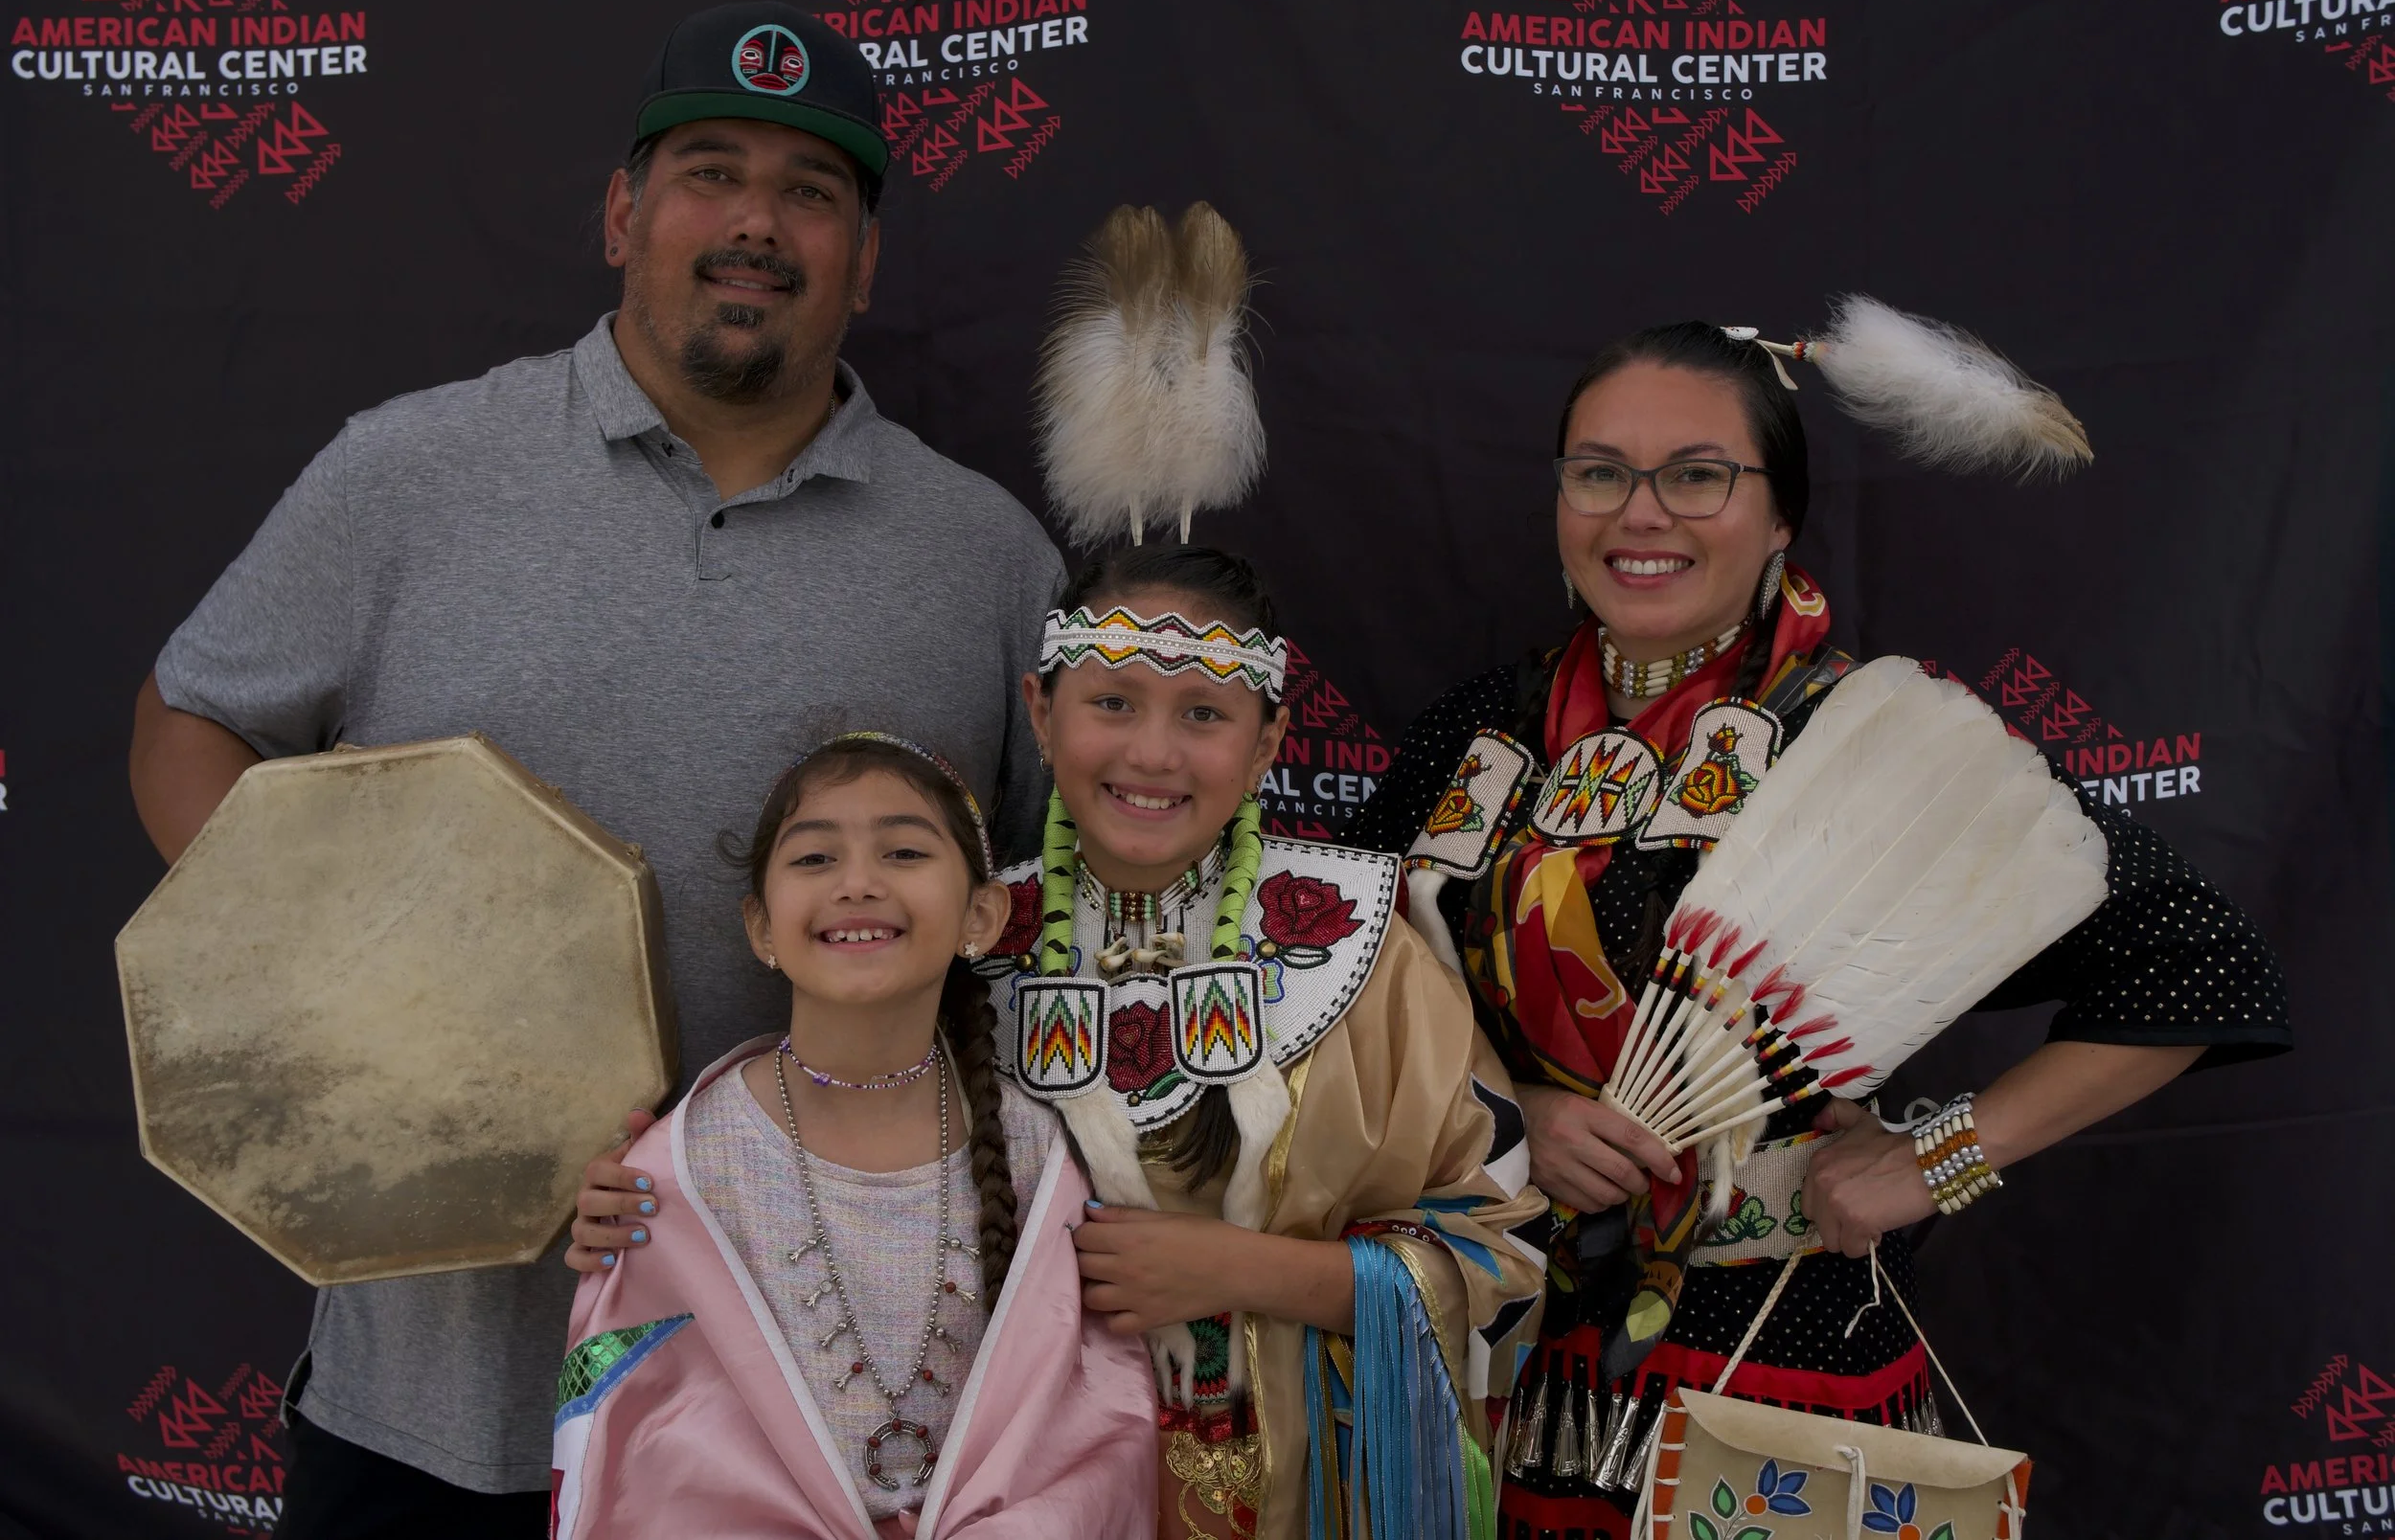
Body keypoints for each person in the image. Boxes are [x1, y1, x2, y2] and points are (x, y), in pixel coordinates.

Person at [125, 2, 1062, 1536]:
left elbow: (1044, 922)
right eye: (710, 171)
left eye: (812, 192)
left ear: (867, 260)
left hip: (806, 1430)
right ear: (623, 213)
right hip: (427, 1401)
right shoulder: (411, 472)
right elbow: (189, 716)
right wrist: (342, 981)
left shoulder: (985, 557)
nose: (756, 221)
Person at [1352, 314, 2292, 1538]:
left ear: (1782, 512)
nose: (1641, 513)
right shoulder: (1476, 735)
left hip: (1775, 1355)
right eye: (1599, 472)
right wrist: (1509, 1112)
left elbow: (2201, 969)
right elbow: (1343, 1003)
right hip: (1496, 1352)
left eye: (1698, 474)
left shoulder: (1864, 738)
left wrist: (1934, 1157)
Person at [1008, 547, 1548, 1540]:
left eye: (1204, 714)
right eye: (1112, 703)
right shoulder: (966, 948)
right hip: (1028, 1498)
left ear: (1267, 745)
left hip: (1309, 1500)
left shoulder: (1360, 944)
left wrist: (1246, 1269)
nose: (1155, 753)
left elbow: (1503, 1256)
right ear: (1041, 712)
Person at [552, 734, 1154, 1538]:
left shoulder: (1038, 1156)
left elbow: (1093, 1429)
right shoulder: (682, 1166)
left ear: (982, 914)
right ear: (761, 928)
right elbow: (635, 1448)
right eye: (813, 860)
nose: (858, 883)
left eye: (904, 851)